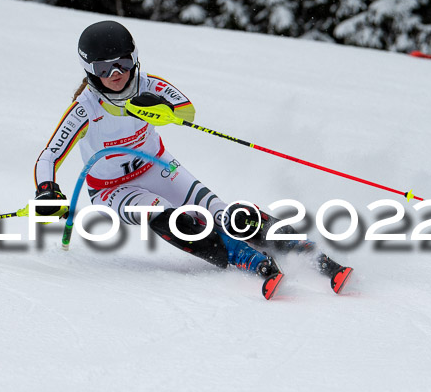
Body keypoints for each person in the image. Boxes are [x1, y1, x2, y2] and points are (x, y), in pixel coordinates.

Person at [31, 20, 353, 299]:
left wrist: (162, 109)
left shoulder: (147, 85)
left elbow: (187, 110)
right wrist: (47, 189)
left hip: (158, 166)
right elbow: (49, 156)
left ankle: (306, 252)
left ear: (135, 59)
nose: (116, 74)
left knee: (225, 214)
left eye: (123, 63)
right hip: (112, 191)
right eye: (104, 69)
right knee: (169, 217)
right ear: (90, 71)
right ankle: (246, 259)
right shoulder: (85, 108)